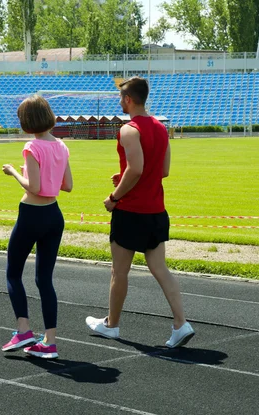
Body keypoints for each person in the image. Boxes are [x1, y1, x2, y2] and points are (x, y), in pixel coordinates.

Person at [85, 77, 195, 348]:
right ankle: (181, 323)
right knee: (160, 268)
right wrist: (124, 175)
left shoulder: (129, 130)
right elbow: (162, 170)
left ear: (129, 100)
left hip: (131, 211)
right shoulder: (160, 127)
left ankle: (111, 324)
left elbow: (136, 169)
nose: (119, 102)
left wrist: (114, 197)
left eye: (121, 98)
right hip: (156, 209)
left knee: (119, 271)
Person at [1, 95, 73, 359]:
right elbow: (67, 186)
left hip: (31, 213)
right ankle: (49, 342)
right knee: (44, 280)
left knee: (13, 273)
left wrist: (14, 172)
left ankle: (23, 330)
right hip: (54, 215)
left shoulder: (31, 146)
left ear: (28, 121)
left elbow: (33, 187)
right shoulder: (61, 146)